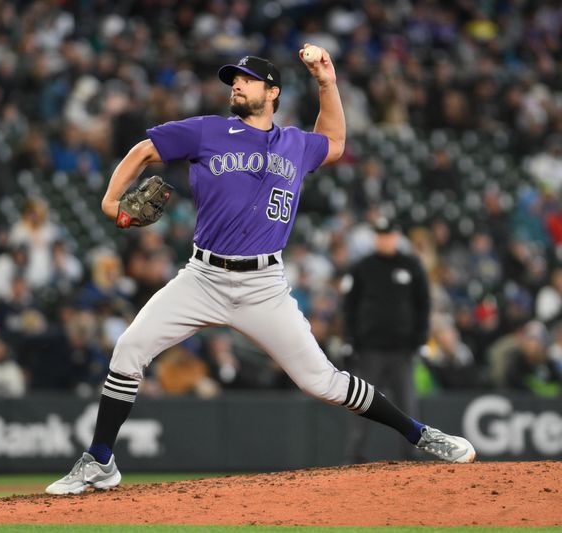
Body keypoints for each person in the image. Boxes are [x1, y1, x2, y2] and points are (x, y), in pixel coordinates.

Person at [46, 48, 475, 496]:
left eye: (248, 79)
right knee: (129, 348)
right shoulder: (207, 131)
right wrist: (111, 200)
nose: (236, 84)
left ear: (272, 92)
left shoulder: (295, 143)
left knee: (322, 382)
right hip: (202, 277)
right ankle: (100, 460)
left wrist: (327, 83)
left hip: (263, 286)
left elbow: (335, 143)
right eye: (234, 79)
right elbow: (142, 151)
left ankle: (421, 435)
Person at [340, 216, 431, 462]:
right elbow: (349, 306)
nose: (384, 240)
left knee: (407, 404)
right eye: (380, 235)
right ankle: (355, 455)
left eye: (388, 235)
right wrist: (349, 339)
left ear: (397, 236)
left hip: (402, 348)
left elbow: (423, 304)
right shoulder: (363, 267)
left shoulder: (411, 265)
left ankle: (411, 454)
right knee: (362, 402)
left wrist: (420, 339)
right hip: (370, 348)